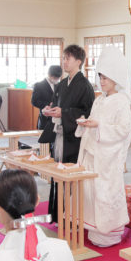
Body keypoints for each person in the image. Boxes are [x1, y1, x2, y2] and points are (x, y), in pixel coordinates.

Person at [76, 47, 131, 247]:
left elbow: (125, 128)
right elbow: (94, 122)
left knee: (106, 191)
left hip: (108, 157)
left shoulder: (121, 102)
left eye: (106, 78)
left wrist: (99, 126)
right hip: (94, 153)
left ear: (116, 78)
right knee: (91, 190)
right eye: (100, 77)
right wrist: (86, 123)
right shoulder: (99, 100)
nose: (102, 81)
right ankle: (93, 228)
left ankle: (109, 232)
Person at [39, 45, 95, 221]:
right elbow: (57, 105)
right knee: (57, 173)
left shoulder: (85, 85)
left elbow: (87, 112)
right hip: (60, 135)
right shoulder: (62, 84)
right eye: (63, 58)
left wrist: (64, 113)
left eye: (68, 58)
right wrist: (49, 110)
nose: (64, 61)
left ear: (78, 61)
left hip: (74, 139)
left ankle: (71, 217)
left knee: (70, 176)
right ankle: (57, 215)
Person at [31, 65, 63, 130]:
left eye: (58, 78)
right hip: (44, 119)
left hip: (57, 119)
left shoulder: (60, 85)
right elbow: (34, 101)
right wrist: (47, 104)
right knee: (44, 138)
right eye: (54, 77)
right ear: (49, 74)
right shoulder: (39, 85)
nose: (56, 79)